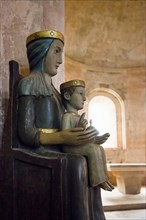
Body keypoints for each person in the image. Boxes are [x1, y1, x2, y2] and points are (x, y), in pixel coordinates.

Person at [16, 30, 108, 220]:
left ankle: (95, 215)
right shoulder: (28, 84)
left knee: (89, 158)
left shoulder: (55, 92)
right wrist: (61, 137)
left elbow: (67, 123)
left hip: (56, 147)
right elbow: (25, 132)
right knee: (75, 164)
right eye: (56, 51)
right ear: (41, 51)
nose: (60, 59)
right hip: (37, 150)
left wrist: (82, 133)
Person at [60, 79, 114, 191]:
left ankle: (104, 179)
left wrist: (96, 139)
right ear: (67, 95)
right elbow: (65, 136)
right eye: (80, 94)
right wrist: (80, 127)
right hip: (68, 147)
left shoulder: (77, 117)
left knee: (99, 148)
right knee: (92, 150)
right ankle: (97, 180)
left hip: (77, 145)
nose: (84, 98)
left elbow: (82, 138)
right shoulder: (67, 117)